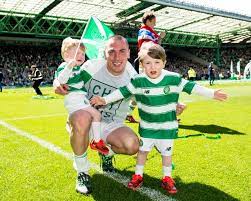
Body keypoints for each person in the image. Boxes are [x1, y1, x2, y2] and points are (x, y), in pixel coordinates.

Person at [53, 35, 186, 195]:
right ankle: (82, 172)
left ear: (129, 53)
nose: (117, 57)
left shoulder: (132, 77)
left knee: (132, 144)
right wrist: (56, 85)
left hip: (112, 125)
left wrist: (170, 106)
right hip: (85, 120)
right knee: (82, 118)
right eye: (112, 52)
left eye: (122, 51)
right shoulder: (92, 67)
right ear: (104, 53)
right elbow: (65, 75)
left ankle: (106, 153)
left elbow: (149, 98)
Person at [90, 43, 228, 194]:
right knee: (142, 152)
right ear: (142, 65)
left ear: (164, 62)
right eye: (147, 63)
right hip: (147, 128)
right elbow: (122, 92)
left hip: (167, 128)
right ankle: (138, 175)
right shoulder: (138, 81)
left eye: (157, 62)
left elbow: (192, 87)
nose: (152, 66)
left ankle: (167, 178)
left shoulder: (173, 78)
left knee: (166, 154)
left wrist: (212, 93)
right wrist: (104, 100)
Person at [55, 37, 109, 155]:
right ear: (66, 55)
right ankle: (96, 141)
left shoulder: (80, 69)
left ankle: (95, 140)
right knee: (96, 115)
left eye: (83, 53)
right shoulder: (64, 66)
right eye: (77, 53)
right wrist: (69, 66)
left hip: (81, 100)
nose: (81, 56)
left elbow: (90, 79)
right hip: (74, 99)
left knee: (96, 116)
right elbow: (61, 79)